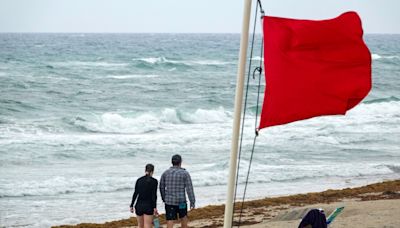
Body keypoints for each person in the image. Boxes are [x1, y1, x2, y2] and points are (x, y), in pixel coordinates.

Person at [160, 154, 195, 228]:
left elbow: (161, 187)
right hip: (181, 202)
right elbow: (189, 189)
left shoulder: (165, 173)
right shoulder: (185, 173)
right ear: (180, 162)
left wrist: (164, 198)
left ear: (172, 162)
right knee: (183, 217)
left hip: (169, 202)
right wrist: (192, 201)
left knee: (170, 219)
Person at [130, 164, 158, 228]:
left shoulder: (139, 180)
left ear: (145, 170)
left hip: (139, 205)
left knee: (140, 226)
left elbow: (135, 193)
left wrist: (131, 205)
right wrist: (155, 207)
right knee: (147, 226)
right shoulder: (154, 181)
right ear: (152, 171)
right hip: (149, 206)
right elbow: (154, 195)